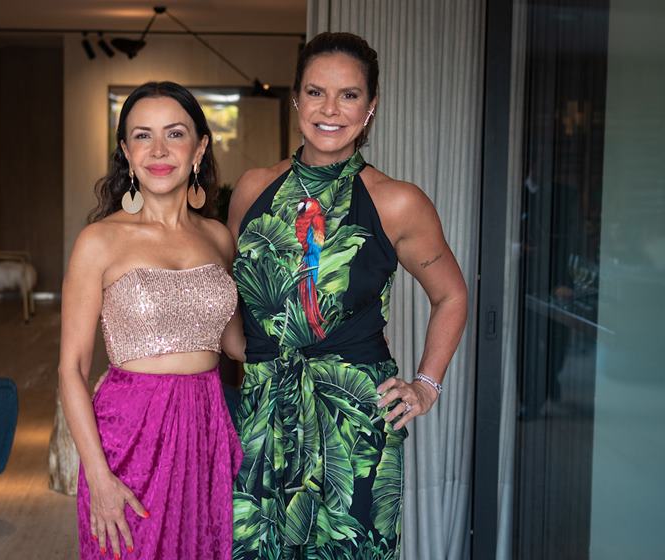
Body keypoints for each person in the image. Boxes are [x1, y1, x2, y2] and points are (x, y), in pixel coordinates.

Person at [225, 32, 468, 558]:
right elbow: (228, 281)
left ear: (371, 105)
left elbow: (451, 296)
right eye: (315, 93)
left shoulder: (398, 202)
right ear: (296, 99)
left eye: (349, 95)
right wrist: (237, 344)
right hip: (266, 410)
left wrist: (427, 384)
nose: (330, 109)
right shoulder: (252, 188)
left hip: (353, 418)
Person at [58, 81, 243, 560]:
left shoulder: (220, 238)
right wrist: (98, 476)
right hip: (128, 434)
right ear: (126, 151)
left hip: (207, 427)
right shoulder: (98, 241)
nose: (158, 150)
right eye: (142, 136)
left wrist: (320, 330)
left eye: (175, 134)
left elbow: (237, 344)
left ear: (199, 147)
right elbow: (71, 370)